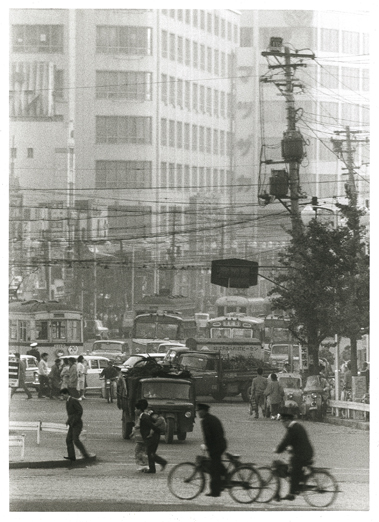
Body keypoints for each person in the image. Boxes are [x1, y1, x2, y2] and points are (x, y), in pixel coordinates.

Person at [274, 407, 314, 501]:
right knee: (293, 465)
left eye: (283, 422)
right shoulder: (297, 426)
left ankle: (292, 493)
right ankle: (295, 487)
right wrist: (290, 449)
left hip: (303, 454)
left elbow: (286, 441)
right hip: (304, 452)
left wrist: (278, 449)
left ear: (287, 421)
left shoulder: (293, 429)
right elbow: (296, 441)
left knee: (294, 470)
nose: (283, 424)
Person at [197, 403, 227, 497]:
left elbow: (208, 436)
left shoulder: (205, 421)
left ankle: (215, 492)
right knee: (216, 464)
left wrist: (207, 446)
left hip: (216, 447)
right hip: (221, 444)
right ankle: (225, 475)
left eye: (199, 411)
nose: (198, 413)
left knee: (214, 470)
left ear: (204, 411)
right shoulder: (213, 418)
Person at [135, 399, 167, 474]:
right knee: (150, 453)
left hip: (153, 437)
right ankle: (153, 469)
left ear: (139, 410)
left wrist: (155, 432)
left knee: (150, 453)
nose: (135, 411)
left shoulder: (144, 417)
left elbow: (152, 425)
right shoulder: (144, 416)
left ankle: (162, 463)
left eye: (136, 409)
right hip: (152, 437)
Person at [60, 388, 92, 461]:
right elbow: (70, 414)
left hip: (77, 424)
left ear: (67, 394)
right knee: (68, 440)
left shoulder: (73, 400)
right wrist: (68, 421)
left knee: (75, 439)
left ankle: (85, 454)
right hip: (72, 423)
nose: (62, 397)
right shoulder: (68, 401)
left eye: (63, 395)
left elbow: (80, 411)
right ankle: (71, 456)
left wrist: (74, 420)